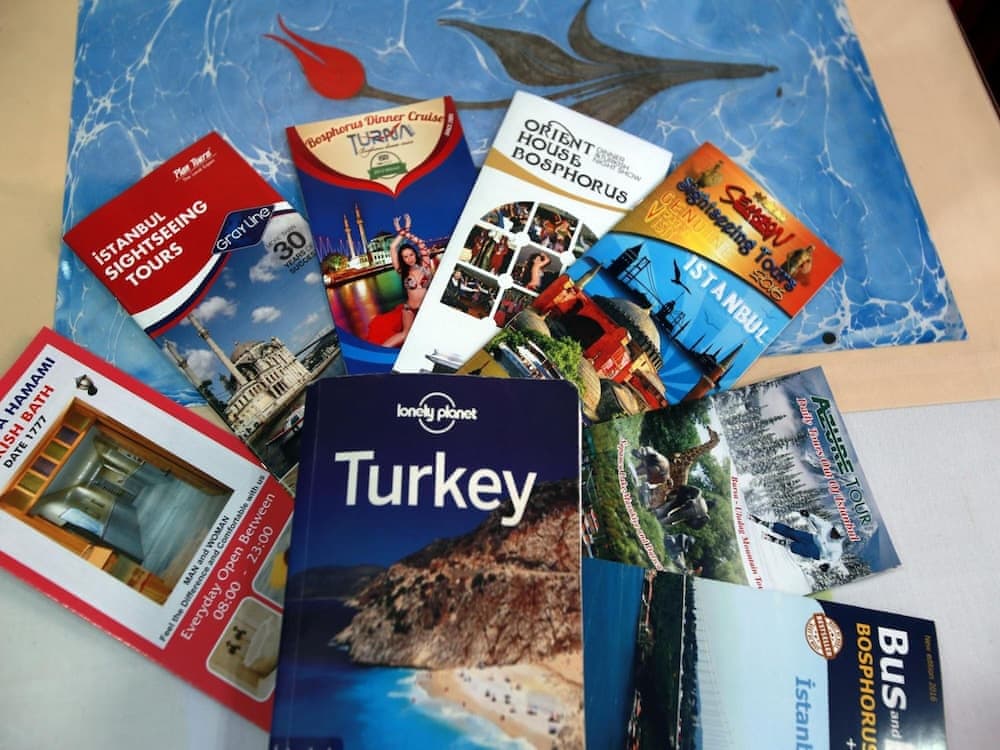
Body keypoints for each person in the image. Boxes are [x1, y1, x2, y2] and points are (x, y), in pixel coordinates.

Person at [383, 215, 434, 347]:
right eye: (405, 257)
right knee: (405, 335)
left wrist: (406, 229)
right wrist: (400, 231)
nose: (409, 259)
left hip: (426, 309)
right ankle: (377, 354)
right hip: (409, 309)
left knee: (429, 337)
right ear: (402, 259)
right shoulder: (402, 271)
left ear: (415, 254)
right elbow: (393, 247)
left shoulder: (425, 265)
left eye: (411, 254)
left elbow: (420, 243)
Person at [751, 510, 845, 570]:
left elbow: (833, 561)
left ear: (839, 537)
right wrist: (808, 515)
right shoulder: (828, 527)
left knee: (806, 549)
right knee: (794, 533)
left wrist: (828, 565)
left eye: (836, 535)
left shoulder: (838, 548)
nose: (833, 534)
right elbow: (817, 520)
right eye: (834, 531)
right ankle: (770, 525)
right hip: (812, 538)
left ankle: (789, 544)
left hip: (818, 552)